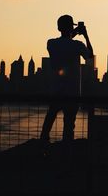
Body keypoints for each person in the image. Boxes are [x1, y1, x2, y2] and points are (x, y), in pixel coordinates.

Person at [40, 14, 94, 143]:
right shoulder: (78, 45)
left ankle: (43, 145)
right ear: (71, 28)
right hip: (72, 92)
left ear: (58, 28)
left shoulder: (51, 44)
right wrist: (85, 35)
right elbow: (90, 55)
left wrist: (71, 33)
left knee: (49, 119)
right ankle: (66, 152)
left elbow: (64, 43)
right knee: (69, 126)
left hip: (56, 90)